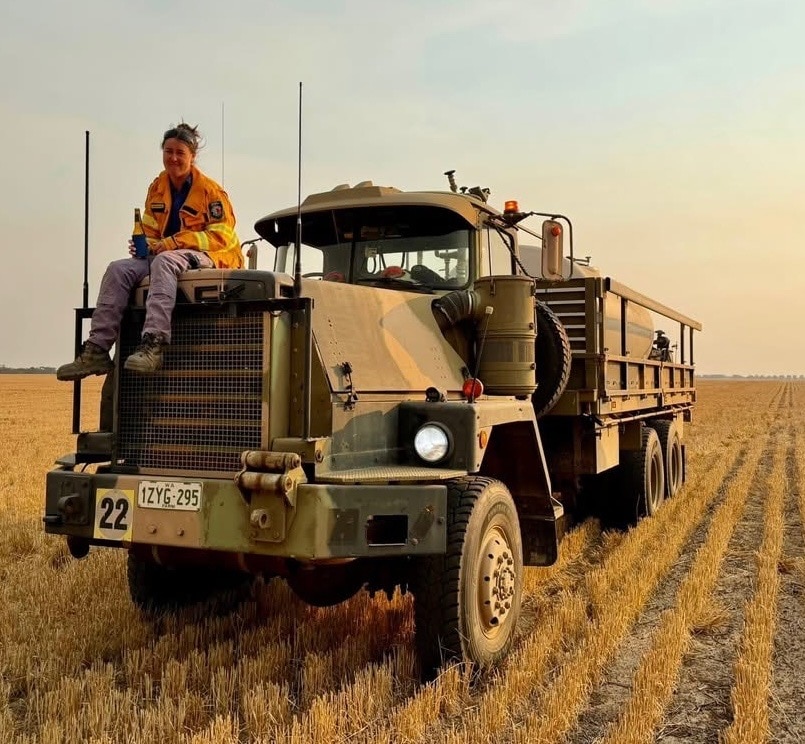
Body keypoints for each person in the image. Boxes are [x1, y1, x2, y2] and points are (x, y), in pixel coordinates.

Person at [57, 122, 243, 380]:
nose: (173, 158)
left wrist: (172, 243)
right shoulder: (157, 188)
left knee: (164, 261)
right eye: (169, 151)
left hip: (213, 258)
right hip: (165, 257)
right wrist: (143, 244)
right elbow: (151, 230)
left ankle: (154, 342)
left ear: (192, 156)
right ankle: (97, 350)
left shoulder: (211, 192)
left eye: (180, 152)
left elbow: (222, 236)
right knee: (118, 269)